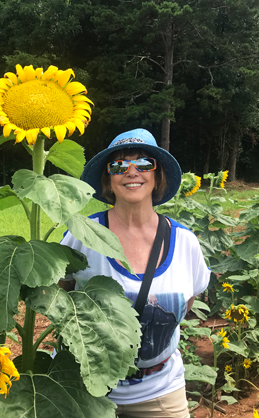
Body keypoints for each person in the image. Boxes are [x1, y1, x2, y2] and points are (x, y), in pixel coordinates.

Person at [60, 128, 211, 418]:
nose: (131, 171)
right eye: (118, 165)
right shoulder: (82, 236)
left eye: (143, 163)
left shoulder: (184, 242)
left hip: (160, 390)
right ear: (108, 179)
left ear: (157, 177)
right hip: (86, 391)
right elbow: (61, 294)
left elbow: (186, 303)